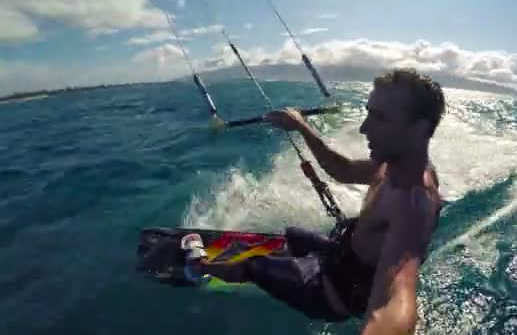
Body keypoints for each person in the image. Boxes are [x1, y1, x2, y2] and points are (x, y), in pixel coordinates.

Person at [182, 68, 445, 333]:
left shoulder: (413, 201)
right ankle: (288, 261)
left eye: (379, 117)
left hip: (332, 294)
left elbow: (396, 296)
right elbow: (342, 170)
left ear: (418, 128)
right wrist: (300, 126)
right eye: (368, 113)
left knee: (255, 265)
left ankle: (201, 268)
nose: (364, 127)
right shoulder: (392, 165)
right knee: (293, 235)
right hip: (338, 256)